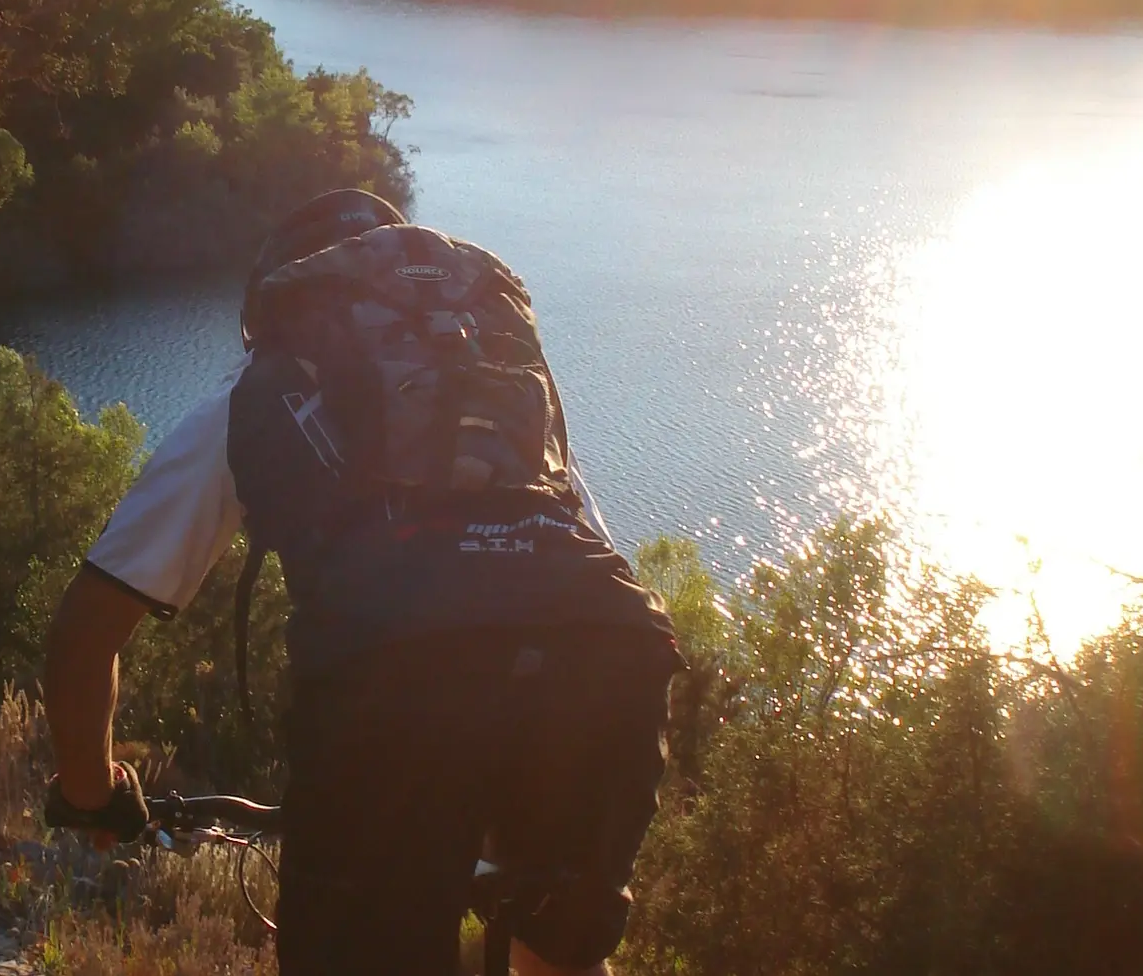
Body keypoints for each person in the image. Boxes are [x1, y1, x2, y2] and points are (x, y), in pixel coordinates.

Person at [42, 189, 679, 976]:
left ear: (283, 304)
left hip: (393, 686)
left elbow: (87, 631)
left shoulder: (263, 387)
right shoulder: (507, 395)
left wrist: (90, 789)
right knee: (557, 952)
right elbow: (573, 572)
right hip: (611, 659)